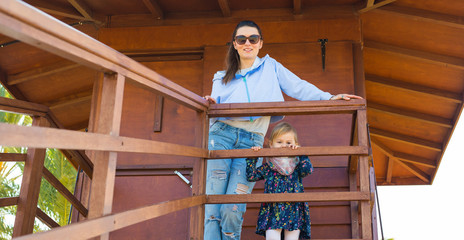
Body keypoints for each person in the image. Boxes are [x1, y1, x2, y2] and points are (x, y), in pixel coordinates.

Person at [203, 20, 362, 240]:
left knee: (233, 206)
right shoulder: (221, 77)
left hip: (253, 142)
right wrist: (209, 103)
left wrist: (328, 97)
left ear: (260, 44)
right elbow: (215, 106)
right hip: (220, 136)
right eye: (242, 39)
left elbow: (298, 86)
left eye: (253, 39)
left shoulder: (271, 66)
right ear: (235, 44)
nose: (247, 43)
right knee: (212, 207)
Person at [246, 122, 312, 240]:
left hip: (294, 208)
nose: (283, 146)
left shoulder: (297, 164)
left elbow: (307, 170)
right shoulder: (270, 166)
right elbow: (251, 176)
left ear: (295, 145)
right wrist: (253, 156)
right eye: (279, 142)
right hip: (273, 209)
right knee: (272, 237)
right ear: (271, 144)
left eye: (288, 143)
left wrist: (301, 153)